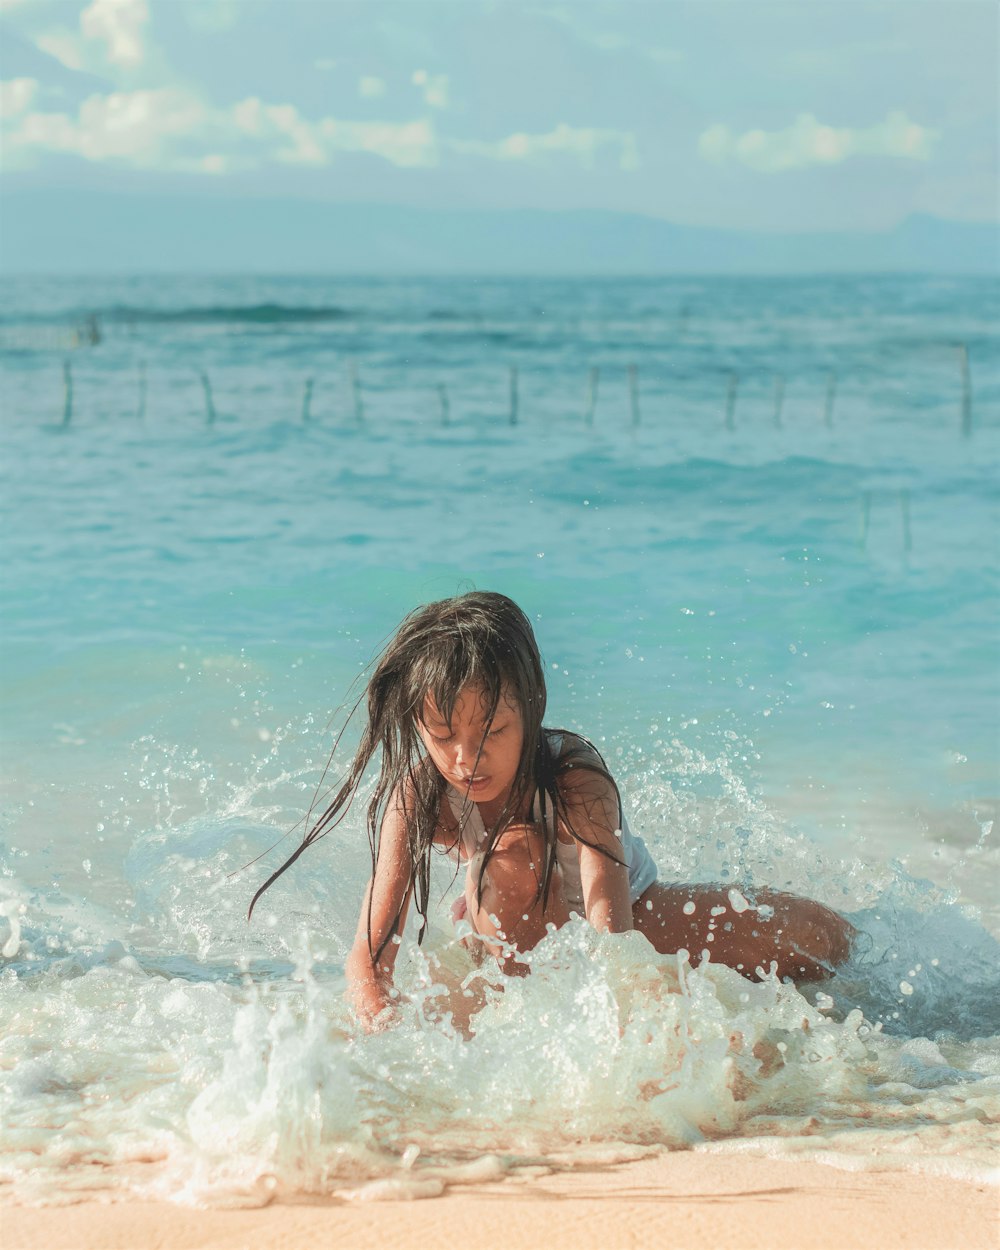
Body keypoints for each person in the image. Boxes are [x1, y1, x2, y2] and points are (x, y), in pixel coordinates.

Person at [250, 591, 854, 1030]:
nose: (465, 760)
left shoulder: (576, 780)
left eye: (492, 731)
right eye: (442, 736)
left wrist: (632, 1037)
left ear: (531, 709)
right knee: (514, 856)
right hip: (504, 917)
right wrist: (379, 1023)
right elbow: (371, 948)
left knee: (824, 942)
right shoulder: (418, 796)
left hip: (632, 911)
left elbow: (613, 938)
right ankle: (511, 1006)